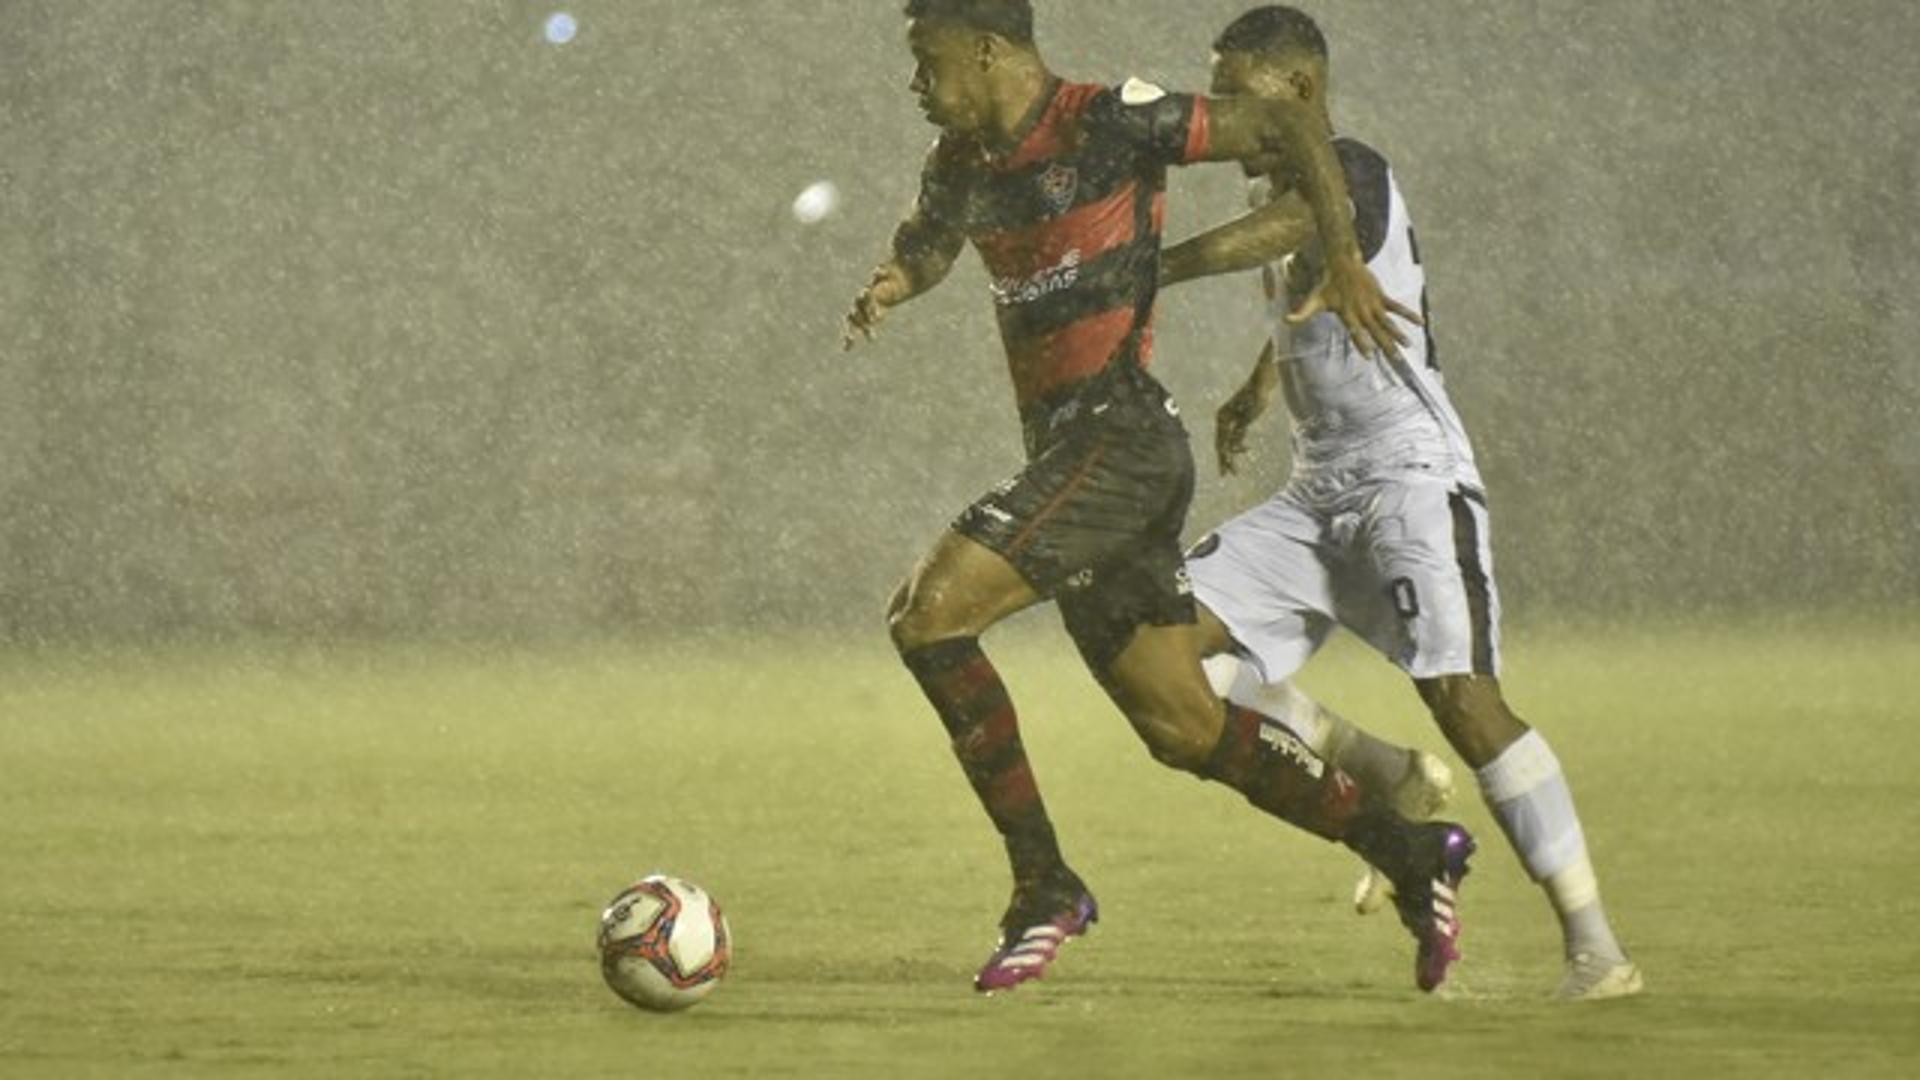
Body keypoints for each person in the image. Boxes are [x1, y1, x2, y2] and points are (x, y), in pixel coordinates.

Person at [843, 0, 1474, 995]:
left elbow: (1286, 126)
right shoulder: (960, 162)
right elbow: (931, 241)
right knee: (1181, 726)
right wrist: (895, 280)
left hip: (1122, 441)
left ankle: (1043, 885)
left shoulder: (1109, 120)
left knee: (927, 618)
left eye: (927, 58)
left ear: (990, 49)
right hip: (1082, 455)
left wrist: (1344, 255)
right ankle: (1405, 849)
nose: (916, 81)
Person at [1158, 5, 1643, 1000]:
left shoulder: (1350, 165)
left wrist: (1150, 268)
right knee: (1157, 648)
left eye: (1233, 86)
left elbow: (1305, 225)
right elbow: (1317, 282)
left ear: (1296, 89)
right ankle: (1379, 771)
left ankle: (1596, 949)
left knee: (1467, 702)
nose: (1217, 109)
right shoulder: (1295, 188)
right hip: (1314, 491)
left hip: (1407, 477)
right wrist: (1261, 383)